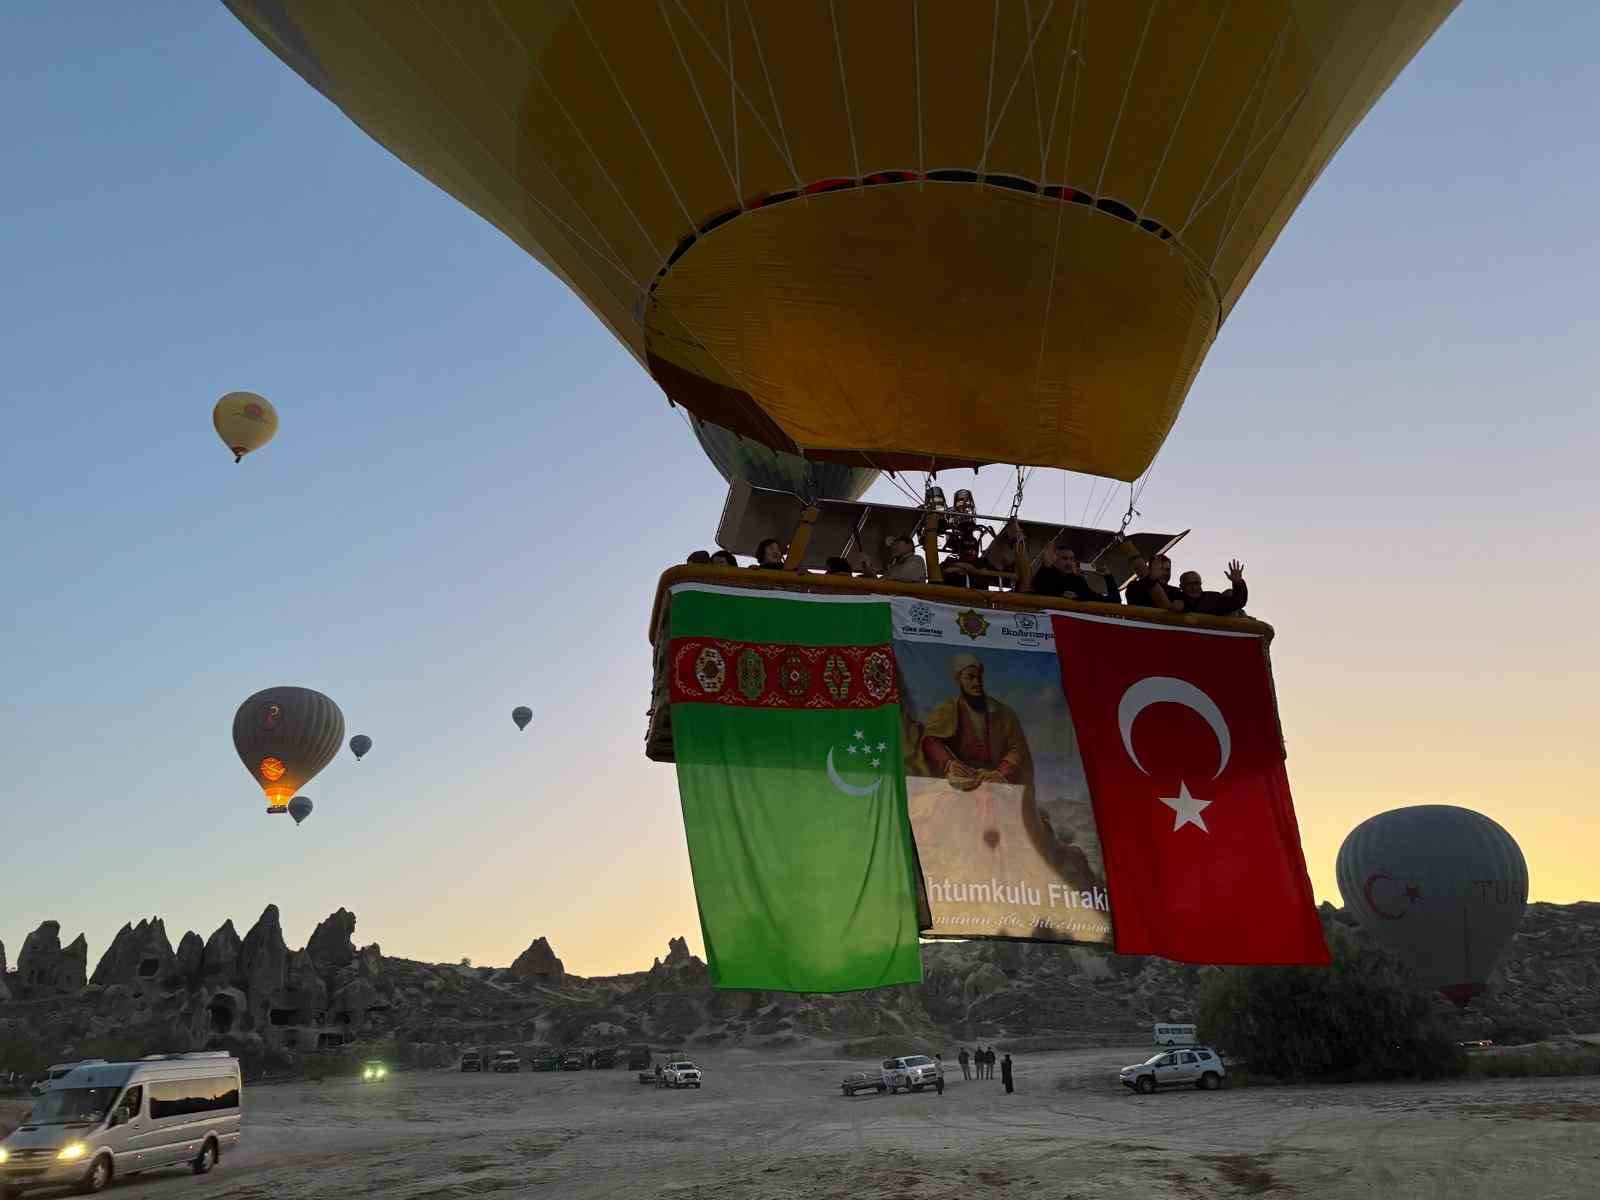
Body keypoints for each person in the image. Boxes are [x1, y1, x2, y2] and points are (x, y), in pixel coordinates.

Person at [916, 656, 1032, 795]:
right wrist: (949, 763)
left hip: (995, 780)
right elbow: (930, 740)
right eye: (970, 678)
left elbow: (1017, 747)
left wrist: (1001, 772)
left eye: (979, 678)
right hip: (961, 781)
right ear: (959, 680)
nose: (977, 683)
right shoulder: (947, 709)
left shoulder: (1004, 713)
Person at [1030, 542, 1118, 603]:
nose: (1069, 562)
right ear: (1055, 559)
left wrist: (1108, 576)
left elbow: (1114, 601)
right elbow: (1037, 589)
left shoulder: (1076, 580)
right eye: (1064, 558)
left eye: (1071, 559)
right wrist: (1045, 566)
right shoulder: (1047, 574)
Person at [1178, 560, 1248, 615]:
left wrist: (1238, 583)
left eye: (1197, 583)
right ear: (1181, 586)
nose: (1194, 587)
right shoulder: (1175, 596)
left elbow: (1237, 602)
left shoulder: (1212, 599)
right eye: (1189, 584)